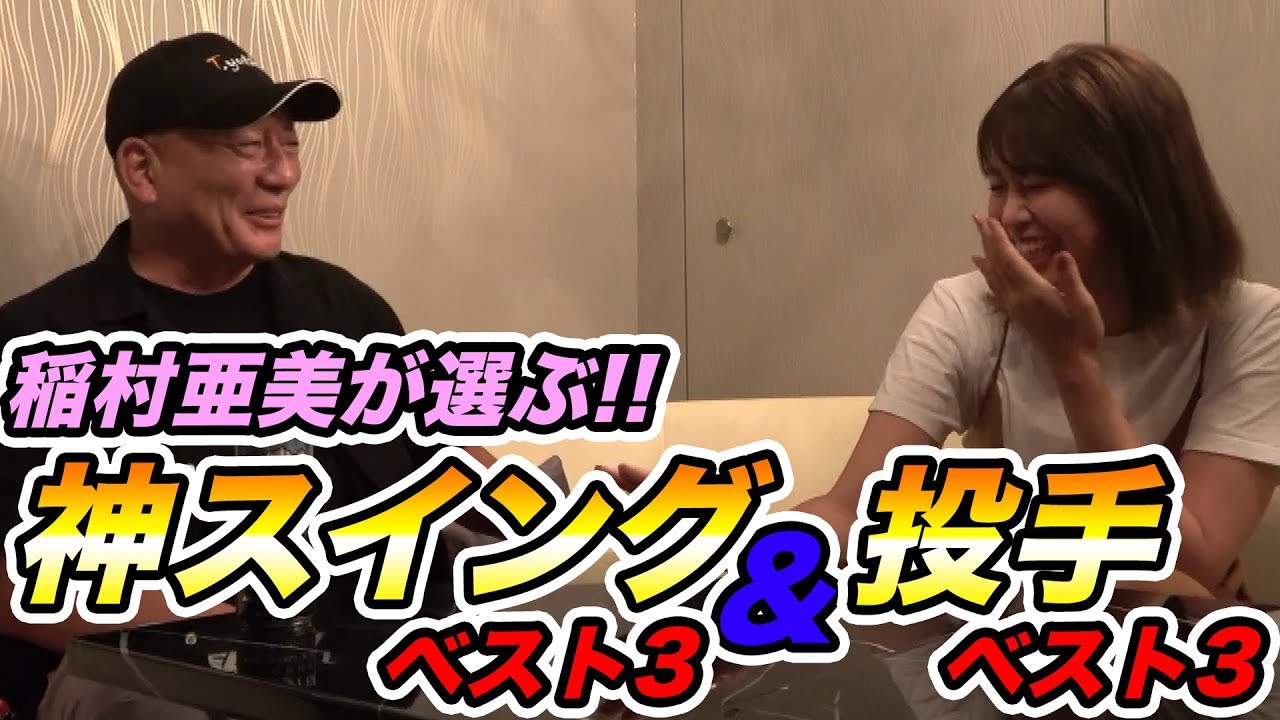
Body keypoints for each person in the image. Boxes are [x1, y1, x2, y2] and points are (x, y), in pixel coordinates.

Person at [603, 43, 1280, 719]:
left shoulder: (1249, 325)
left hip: (1165, 659)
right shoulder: (968, 309)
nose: (1009, 215)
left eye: (1036, 184)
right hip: (994, 648)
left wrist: (1072, 364)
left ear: (1134, 186)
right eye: (998, 184)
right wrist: (730, 545)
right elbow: (852, 509)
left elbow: (1188, 551)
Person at [0, 32, 500, 719]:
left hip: (366, 683)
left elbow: (447, 479)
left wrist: (600, 514)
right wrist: (198, 622)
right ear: (143, 170)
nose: (283, 173)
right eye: (246, 146)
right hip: (169, 686)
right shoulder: (42, 344)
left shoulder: (341, 310)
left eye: (288, 143)